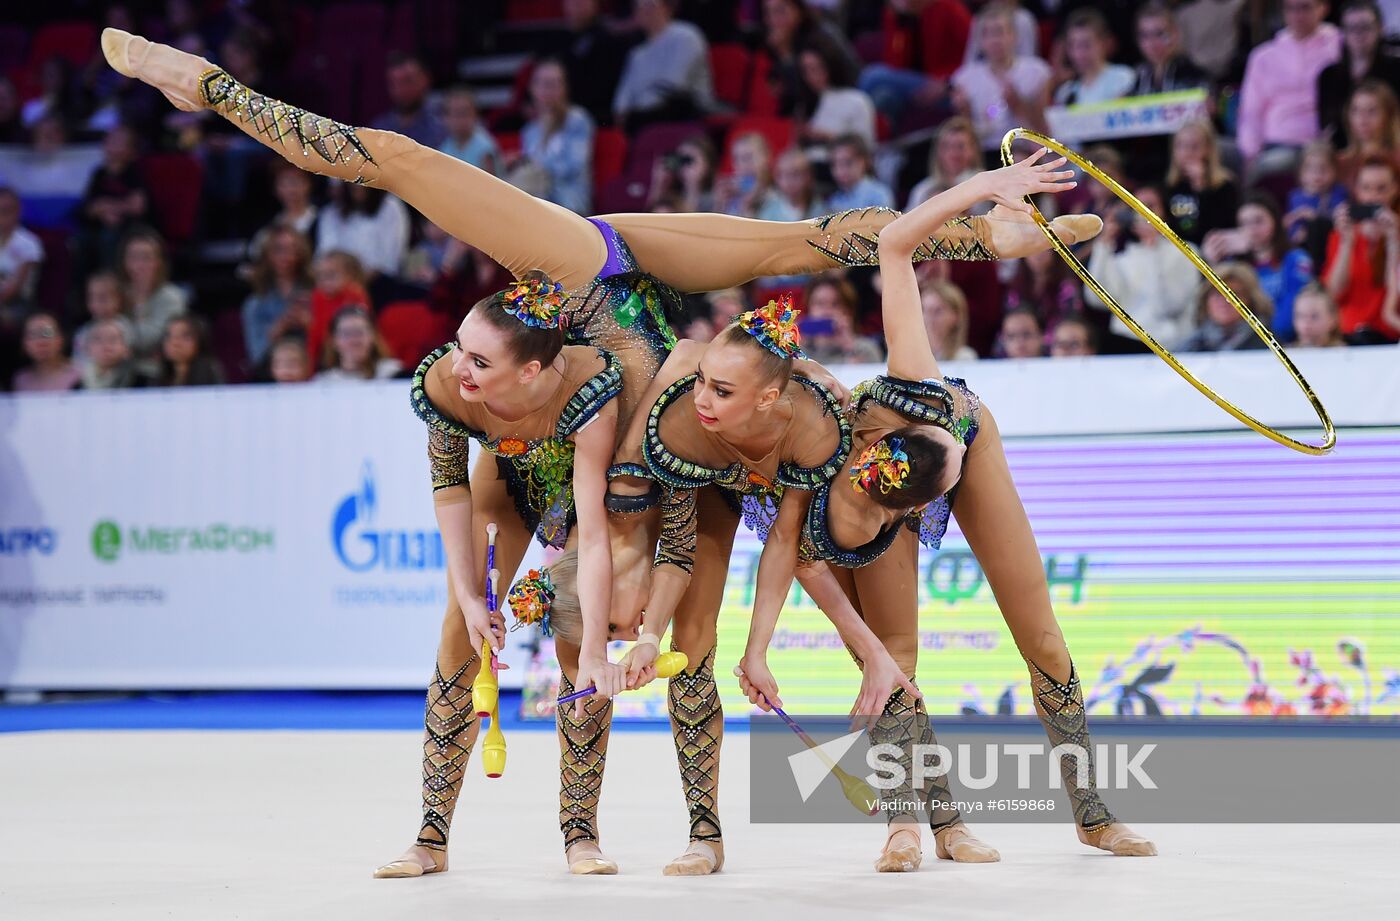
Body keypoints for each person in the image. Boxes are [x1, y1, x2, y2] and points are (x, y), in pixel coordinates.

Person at [102, 27, 1103, 878]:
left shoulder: (652, 454)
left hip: (602, 288)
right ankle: (206, 84)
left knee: (796, 247)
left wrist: (990, 229)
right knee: (400, 161)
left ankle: (658, 830)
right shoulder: (585, 433)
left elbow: (693, 541)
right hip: (593, 278)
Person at [729, 153, 1154, 864]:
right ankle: (918, 821)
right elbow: (790, 557)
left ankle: (1093, 811)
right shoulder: (826, 461)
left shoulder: (913, 372)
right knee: (892, 656)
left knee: (1041, 635)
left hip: (968, 433)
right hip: (885, 484)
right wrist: (762, 647)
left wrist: (981, 191)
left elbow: (896, 245)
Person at [1083, 184, 1202, 353]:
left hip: (1174, 347)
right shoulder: (1124, 257)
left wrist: (1153, 251)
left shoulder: (1186, 251)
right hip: (1128, 346)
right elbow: (1096, 299)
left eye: (1151, 206)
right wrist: (1103, 245)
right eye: (1137, 206)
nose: (1144, 213)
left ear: (1164, 212)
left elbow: (1171, 306)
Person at [1236, 0, 1342, 173]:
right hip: (1278, 142)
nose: (1298, 15)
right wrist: (1250, 153)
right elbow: (1251, 111)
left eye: (1305, 7)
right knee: (1267, 169)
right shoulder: (1263, 56)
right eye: (1291, 8)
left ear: (1323, 9)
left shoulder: (1339, 46)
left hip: (1324, 144)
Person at [1203, 194, 1315, 340]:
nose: (1252, 229)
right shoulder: (1234, 264)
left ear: (1275, 220)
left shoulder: (1296, 259)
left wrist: (1259, 336)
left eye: (1258, 221)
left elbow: (1291, 312)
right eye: (1244, 223)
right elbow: (1217, 309)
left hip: (1281, 341)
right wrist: (1213, 263)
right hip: (1242, 341)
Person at [951, 1, 1052, 153]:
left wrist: (1019, 106)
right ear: (980, 40)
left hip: (1024, 150)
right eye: (987, 34)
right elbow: (966, 133)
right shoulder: (964, 78)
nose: (994, 40)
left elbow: (1045, 130)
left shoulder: (1037, 72)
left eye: (999, 32)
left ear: (1014, 36)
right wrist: (965, 113)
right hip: (983, 151)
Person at [1322, 156, 1400, 341]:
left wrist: (1393, 241)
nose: (1373, 196)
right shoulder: (1340, 236)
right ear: (1357, 190)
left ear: (1395, 189)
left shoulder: (1396, 233)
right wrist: (1346, 243)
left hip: (1390, 336)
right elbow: (1333, 294)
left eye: (1381, 189)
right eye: (1366, 188)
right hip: (1348, 336)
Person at [612, 0, 715, 132]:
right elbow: (622, 99)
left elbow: (673, 86)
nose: (643, 10)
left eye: (650, 5)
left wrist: (634, 113)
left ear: (668, 7)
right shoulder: (637, 53)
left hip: (683, 119)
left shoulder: (686, 36)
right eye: (639, 6)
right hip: (643, 121)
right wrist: (622, 112)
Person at [1317, 1, 1400, 147]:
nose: (1359, 34)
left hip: (1390, 145)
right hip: (1343, 148)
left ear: (1380, 28)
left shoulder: (1396, 68)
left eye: (1365, 27)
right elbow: (1327, 125)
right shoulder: (1329, 75)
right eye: (1352, 28)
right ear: (1343, 32)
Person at [519, 60, 595, 215]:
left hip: (569, 200)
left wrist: (536, 168)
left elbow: (574, 166)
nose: (549, 90)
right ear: (533, 89)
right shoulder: (529, 131)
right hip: (536, 198)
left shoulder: (578, 120)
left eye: (555, 84)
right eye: (544, 84)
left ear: (564, 88)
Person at [242, 225, 313, 364]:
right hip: (272, 374)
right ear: (267, 254)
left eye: (293, 249)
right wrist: (278, 329)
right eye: (279, 249)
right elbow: (256, 357)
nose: (286, 256)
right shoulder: (255, 304)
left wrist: (311, 325)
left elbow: (334, 349)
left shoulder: (317, 294)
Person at [118, 226, 188, 365]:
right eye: (134, 257)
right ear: (125, 261)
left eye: (146, 257)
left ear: (159, 262)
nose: (140, 265)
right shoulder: (116, 292)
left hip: (157, 369)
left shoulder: (171, 297)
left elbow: (151, 341)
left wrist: (117, 336)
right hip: (118, 367)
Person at [1165, 118, 1240, 246]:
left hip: (1216, 251)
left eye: (1194, 146)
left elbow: (1221, 227)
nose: (1187, 153)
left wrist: (1200, 187)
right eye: (1181, 146)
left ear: (1208, 149)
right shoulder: (1170, 186)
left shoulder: (1225, 186)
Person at [316, 183, 411, 282]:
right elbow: (324, 254)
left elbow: (390, 261)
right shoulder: (332, 212)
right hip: (337, 282)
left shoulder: (390, 207)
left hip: (379, 283)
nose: (357, 186)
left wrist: (360, 278)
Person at [796, 43, 877, 151]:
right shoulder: (803, 107)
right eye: (805, 70)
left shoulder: (857, 101)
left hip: (842, 163)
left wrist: (828, 137)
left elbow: (867, 147)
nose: (810, 77)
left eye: (816, 68)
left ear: (830, 66)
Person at [1178, 261, 1273, 352]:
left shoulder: (1269, 345)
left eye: (1234, 295)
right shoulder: (1192, 346)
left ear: (1252, 301)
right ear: (1205, 300)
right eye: (1217, 294)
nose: (1225, 301)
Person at [1053, 9, 1135, 107]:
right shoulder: (1065, 92)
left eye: (1086, 45)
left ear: (1103, 44)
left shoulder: (1123, 77)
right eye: (1073, 45)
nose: (1079, 53)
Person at [1129, 2, 1210, 96]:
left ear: (1175, 34)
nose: (1152, 43)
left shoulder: (1195, 75)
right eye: (1145, 36)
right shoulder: (1136, 78)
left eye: (1160, 34)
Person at [905, 116, 984, 212]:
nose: (953, 153)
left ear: (973, 150)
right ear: (938, 151)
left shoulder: (983, 184)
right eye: (947, 146)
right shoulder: (923, 189)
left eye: (960, 146)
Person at [800, 275, 884, 364]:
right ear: (809, 308)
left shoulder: (866, 349)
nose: (827, 312)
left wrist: (849, 348)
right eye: (819, 304)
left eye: (835, 304)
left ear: (848, 311)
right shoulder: (798, 350)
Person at [715, 133, 797, 222]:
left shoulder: (780, 194)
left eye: (748, 157)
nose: (742, 165)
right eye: (736, 159)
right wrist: (720, 206)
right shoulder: (731, 196)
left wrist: (749, 207)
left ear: (767, 157)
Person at [1335, 80, 1400, 186]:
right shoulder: (1337, 163)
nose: (1362, 119)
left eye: (1372, 111)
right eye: (1355, 110)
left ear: (1389, 115)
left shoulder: (1397, 158)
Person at [372, 53, 444, 148]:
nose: (400, 89)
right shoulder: (380, 127)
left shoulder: (444, 123)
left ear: (425, 80)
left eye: (407, 81)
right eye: (394, 83)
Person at [314, 306, 403, 382]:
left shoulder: (392, 374)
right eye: (346, 334)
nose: (354, 340)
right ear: (334, 341)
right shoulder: (324, 382)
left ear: (372, 336)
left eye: (359, 332)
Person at [72, 271, 133, 371]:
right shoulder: (84, 332)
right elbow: (78, 363)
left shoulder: (125, 328)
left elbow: (128, 358)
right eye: (92, 298)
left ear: (118, 300)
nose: (96, 304)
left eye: (102, 298)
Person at [144, 314, 226, 386]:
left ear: (199, 341)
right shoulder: (155, 376)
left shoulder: (211, 374)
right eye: (169, 336)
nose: (175, 342)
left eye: (185, 336)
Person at [0, 188, 43, 322]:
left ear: (18, 211)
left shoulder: (29, 243)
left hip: (18, 302)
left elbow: (16, 287)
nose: (2, 216)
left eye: (6, 211)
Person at [824, 134, 894, 211]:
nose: (840, 170)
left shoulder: (879, 195)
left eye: (848, 163)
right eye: (834, 164)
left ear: (863, 161)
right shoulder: (835, 200)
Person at [12, 312, 80, 392]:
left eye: (48, 333)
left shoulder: (80, 374)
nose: (41, 342)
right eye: (33, 334)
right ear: (24, 343)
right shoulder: (20, 380)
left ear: (61, 339)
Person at [438, 87, 500, 173]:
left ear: (476, 115)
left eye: (465, 113)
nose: (460, 119)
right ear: (445, 118)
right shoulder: (445, 146)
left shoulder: (484, 148)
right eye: (455, 113)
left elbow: (489, 183)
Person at [919, 276, 978, 361]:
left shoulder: (965, 357)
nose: (929, 317)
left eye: (937, 311)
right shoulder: (908, 354)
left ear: (955, 316)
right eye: (924, 310)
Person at [78, 317, 141, 390]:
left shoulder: (142, 381)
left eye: (112, 339)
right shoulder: (77, 383)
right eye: (98, 339)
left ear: (126, 348)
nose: (106, 345)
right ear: (87, 349)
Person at [1289, 281, 1348, 347]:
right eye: (1300, 316)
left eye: (1314, 316)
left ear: (1332, 319)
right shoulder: (1287, 353)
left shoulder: (1348, 354)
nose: (1306, 324)